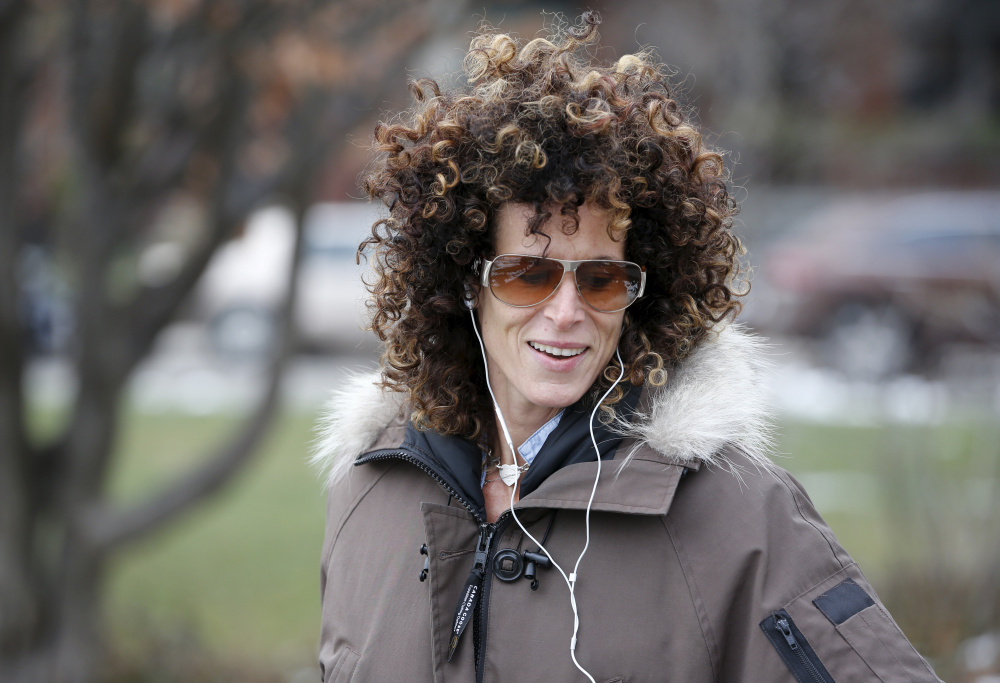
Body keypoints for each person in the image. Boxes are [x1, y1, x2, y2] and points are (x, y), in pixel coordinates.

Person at [312, 13, 941, 683]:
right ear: (469, 281)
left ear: (643, 289)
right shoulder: (368, 490)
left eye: (602, 278)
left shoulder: (736, 514)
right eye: (529, 273)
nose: (566, 312)